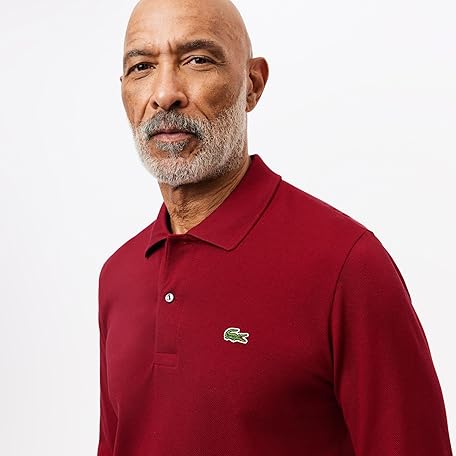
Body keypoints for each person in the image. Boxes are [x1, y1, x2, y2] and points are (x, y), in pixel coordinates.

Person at [97, 0, 453, 454]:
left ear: (252, 84)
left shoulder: (346, 265)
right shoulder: (118, 276)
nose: (165, 93)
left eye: (197, 60)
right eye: (142, 67)